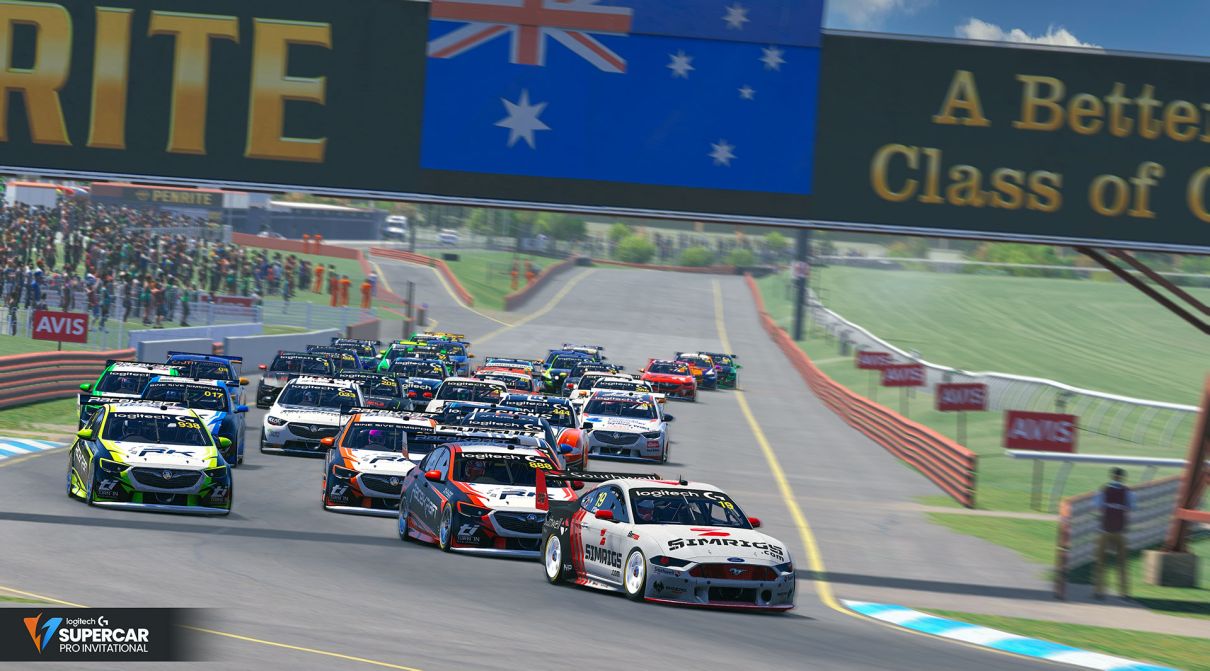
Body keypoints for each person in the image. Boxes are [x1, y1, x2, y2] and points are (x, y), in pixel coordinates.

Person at [1093, 467, 1136, 600]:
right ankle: (1124, 592)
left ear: (1111, 476)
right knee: (1122, 563)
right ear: (1123, 477)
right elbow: (1131, 508)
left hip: (1104, 530)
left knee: (1101, 562)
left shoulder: (1103, 490)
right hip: (1120, 531)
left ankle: (1099, 591)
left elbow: (1097, 507)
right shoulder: (1128, 492)